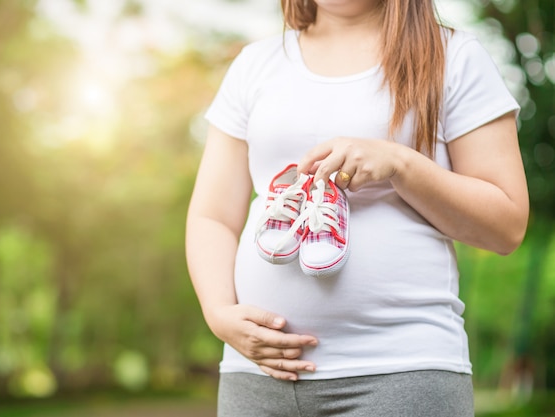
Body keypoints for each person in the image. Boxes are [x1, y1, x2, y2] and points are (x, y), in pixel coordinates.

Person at [185, 0, 529, 415]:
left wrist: (400, 164)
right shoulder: (254, 64)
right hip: (254, 378)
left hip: (400, 376)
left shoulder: (455, 57)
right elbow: (213, 216)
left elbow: (505, 226)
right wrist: (218, 312)